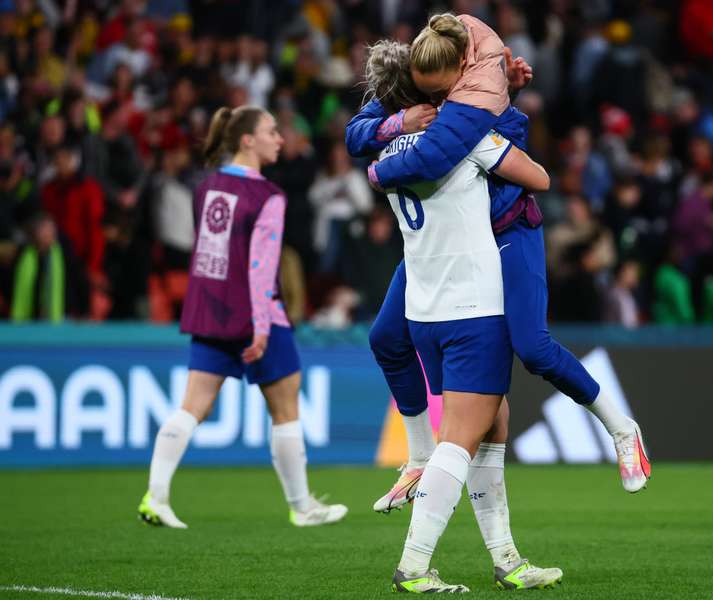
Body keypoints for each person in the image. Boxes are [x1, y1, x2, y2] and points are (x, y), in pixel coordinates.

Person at [345, 14, 650, 512]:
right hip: (446, 246)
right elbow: (356, 133)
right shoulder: (425, 84)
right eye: (422, 92)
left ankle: (622, 428)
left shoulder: (477, 106)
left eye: (438, 91)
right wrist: (399, 121)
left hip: (508, 231)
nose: (431, 99)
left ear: (457, 73)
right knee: (385, 338)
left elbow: (536, 176)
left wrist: (380, 171)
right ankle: (419, 457)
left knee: (533, 348)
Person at [367, 40, 562, 593]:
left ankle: (507, 559)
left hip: (424, 309)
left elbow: (368, 140)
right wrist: (500, 110)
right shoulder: (464, 137)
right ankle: (414, 565)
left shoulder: (387, 154)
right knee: (460, 441)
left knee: (493, 424)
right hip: (473, 306)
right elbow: (540, 178)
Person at [137, 105, 347, 529]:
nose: (280, 138)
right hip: (255, 314)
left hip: (208, 310)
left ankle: (155, 496)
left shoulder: (205, 187)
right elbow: (259, 266)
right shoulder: (267, 196)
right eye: (272, 131)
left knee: (191, 406)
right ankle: (302, 505)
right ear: (247, 139)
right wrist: (262, 326)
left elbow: (213, 255)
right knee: (285, 407)